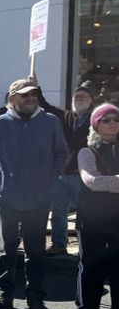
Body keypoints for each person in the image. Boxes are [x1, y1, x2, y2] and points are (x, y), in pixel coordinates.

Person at [0, 77, 68, 309]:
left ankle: (35, 299)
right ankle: (3, 296)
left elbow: (62, 152)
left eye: (33, 94)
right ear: (12, 98)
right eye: (25, 94)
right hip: (5, 198)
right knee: (5, 250)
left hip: (38, 199)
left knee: (35, 252)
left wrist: (51, 177)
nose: (31, 98)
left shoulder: (50, 122)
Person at [74, 103, 119, 309]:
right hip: (92, 220)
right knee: (91, 267)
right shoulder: (87, 152)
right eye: (106, 119)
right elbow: (92, 181)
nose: (112, 123)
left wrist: (110, 182)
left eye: (115, 119)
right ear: (96, 124)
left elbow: (104, 182)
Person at [49, 83, 96, 255]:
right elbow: (46, 106)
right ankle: (59, 244)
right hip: (62, 174)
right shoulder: (66, 116)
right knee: (58, 212)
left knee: (85, 213)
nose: (79, 98)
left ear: (91, 101)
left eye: (83, 96)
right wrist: (35, 86)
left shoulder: (96, 119)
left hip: (82, 175)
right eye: (77, 96)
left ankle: (87, 246)